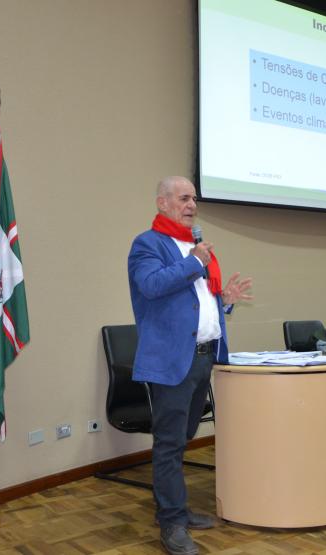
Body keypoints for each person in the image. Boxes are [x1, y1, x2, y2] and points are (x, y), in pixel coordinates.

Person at [128, 176, 253, 555]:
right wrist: (194, 261)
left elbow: (197, 303)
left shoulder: (196, 248)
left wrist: (224, 300)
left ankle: (175, 508)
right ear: (162, 202)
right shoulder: (148, 244)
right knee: (168, 444)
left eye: (194, 199)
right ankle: (171, 523)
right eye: (184, 198)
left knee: (182, 440)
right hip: (170, 361)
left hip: (202, 359)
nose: (192, 205)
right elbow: (151, 286)